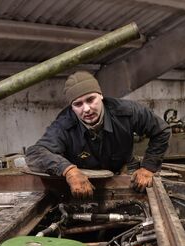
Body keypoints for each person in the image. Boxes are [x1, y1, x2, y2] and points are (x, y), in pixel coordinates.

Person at [26, 71, 170, 198]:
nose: (86, 109)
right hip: (85, 183)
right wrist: (69, 171)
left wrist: (148, 167)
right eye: (78, 104)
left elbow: (161, 131)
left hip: (124, 171)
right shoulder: (64, 125)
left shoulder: (127, 112)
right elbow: (35, 153)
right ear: (72, 107)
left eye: (90, 100)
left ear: (100, 95)